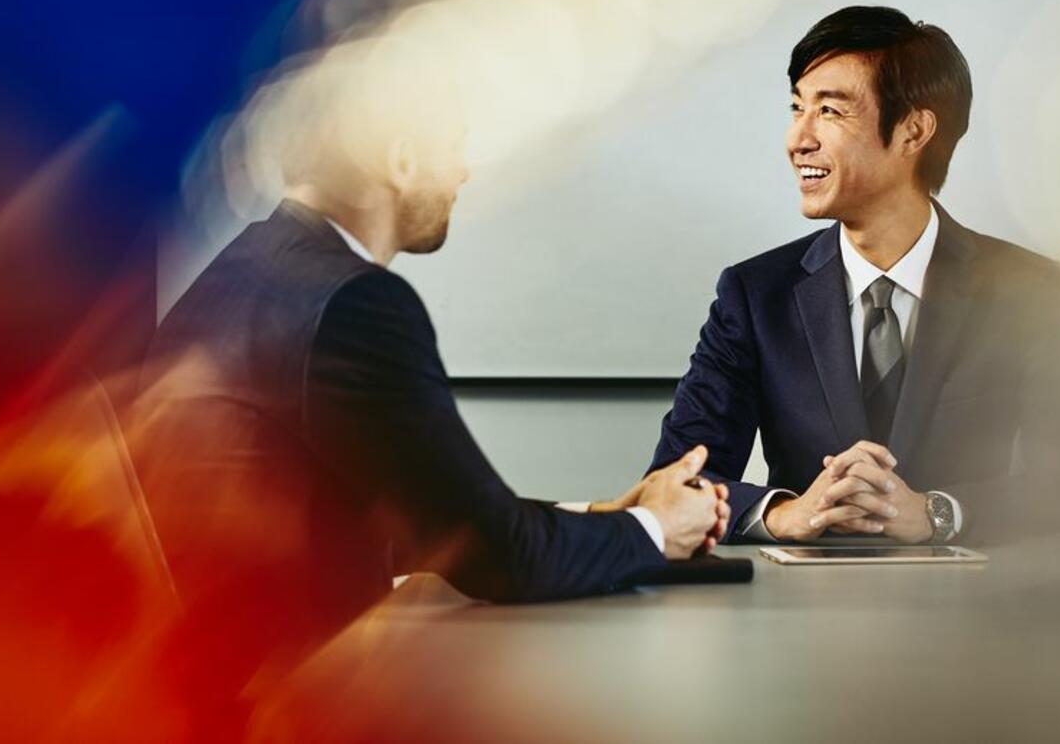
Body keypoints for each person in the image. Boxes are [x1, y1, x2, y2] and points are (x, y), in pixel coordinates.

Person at [129, 48, 730, 666]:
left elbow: (436, 518)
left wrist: (608, 512)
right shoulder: (356, 304)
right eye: (455, 145)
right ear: (401, 159)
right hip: (305, 694)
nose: (465, 172)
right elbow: (499, 559)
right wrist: (658, 531)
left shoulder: (246, 273)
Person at [648, 6, 1060, 545]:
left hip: (978, 611)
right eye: (798, 108)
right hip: (795, 615)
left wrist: (938, 514)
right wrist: (786, 515)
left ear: (914, 130)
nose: (798, 139)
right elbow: (673, 484)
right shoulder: (755, 295)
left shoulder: (1029, 293)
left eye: (830, 111)